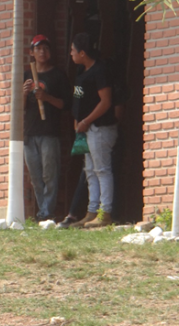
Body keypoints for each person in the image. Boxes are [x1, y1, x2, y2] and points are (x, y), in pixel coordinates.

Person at [69, 33, 117, 228]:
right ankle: (92, 211)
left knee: (101, 169)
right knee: (90, 170)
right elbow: (77, 101)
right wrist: (77, 122)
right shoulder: (81, 74)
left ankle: (106, 212)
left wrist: (87, 120)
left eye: (73, 50)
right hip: (84, 131)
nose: (70, 54)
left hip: (99, 128)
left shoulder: (100, 71)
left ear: (82, 52)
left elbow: (106, 101)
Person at [23, 35, 71, 222]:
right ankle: (43, 212)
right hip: (30, 132)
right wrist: (24, 94)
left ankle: (47, 213)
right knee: (35, 176)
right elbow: (20, 108)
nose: (42, 52)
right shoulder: (27, 75)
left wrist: (47, 97)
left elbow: (66, 104)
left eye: (46, 48)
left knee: (49, 173)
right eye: (38, 48)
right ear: (31, 52)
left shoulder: (58, 75)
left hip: (49, 132)